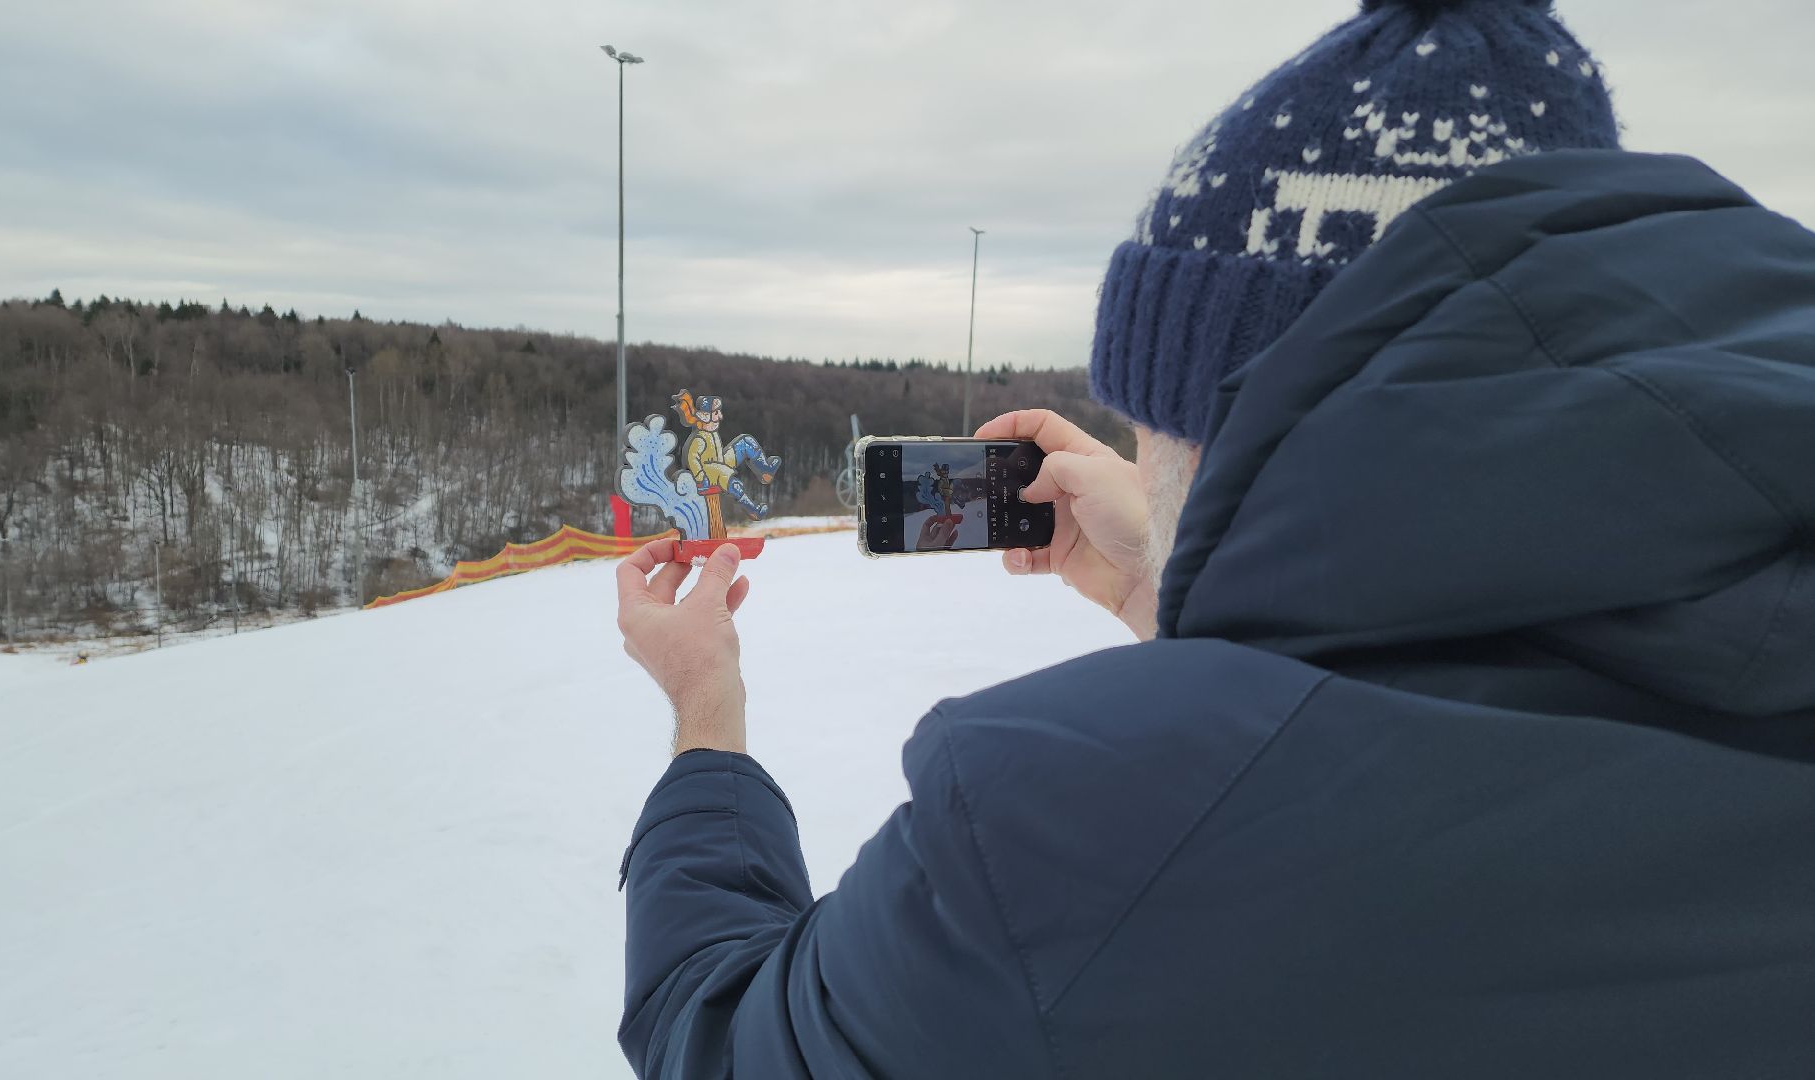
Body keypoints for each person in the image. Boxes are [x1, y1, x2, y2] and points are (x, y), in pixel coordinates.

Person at [614, 0, 1815, 1075]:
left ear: (1235, 430)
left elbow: (713, 1037)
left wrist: (703, 713)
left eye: (1151, 426)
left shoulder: (1054, 835)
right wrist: (1171, 601)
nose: (1137, 462)